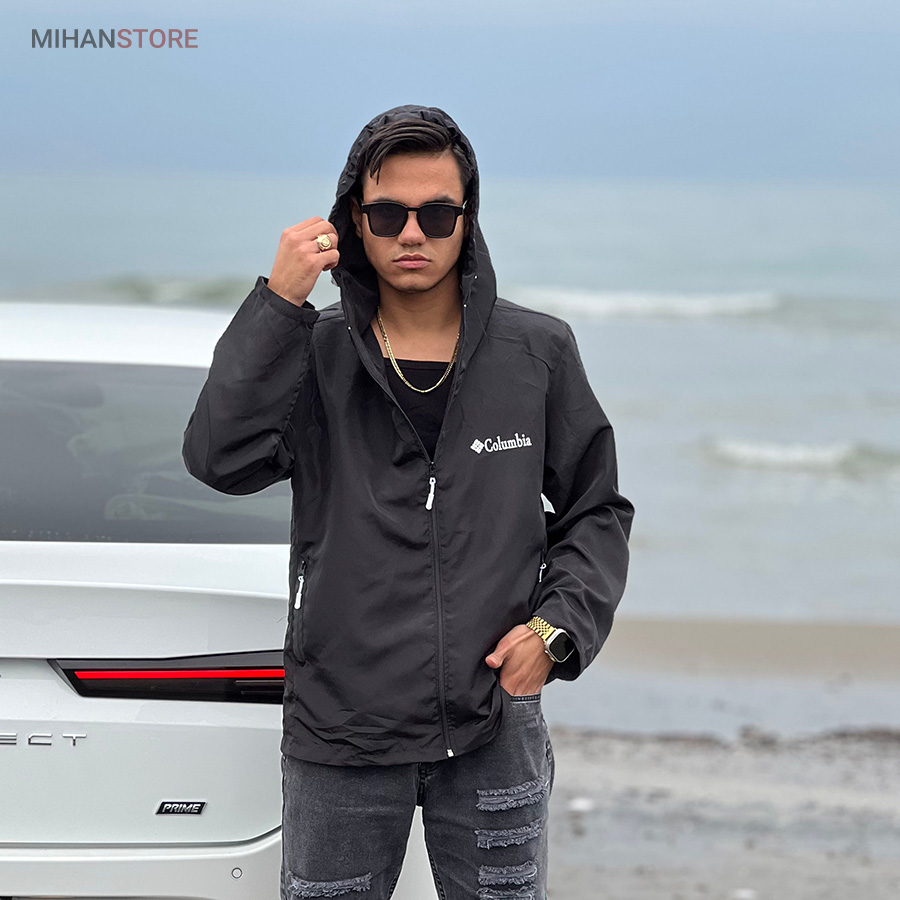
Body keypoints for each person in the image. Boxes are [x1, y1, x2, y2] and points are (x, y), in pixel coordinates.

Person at [182, 104, 635, 900]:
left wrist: (553, 632)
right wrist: (278, 304)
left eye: (437, 214)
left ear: (468, 217)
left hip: (493, 720)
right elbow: (221, 459)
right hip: (341, 725)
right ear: (354, 220)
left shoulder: (537, 352)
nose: (413, 234)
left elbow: (595, 509)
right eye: (389, 214)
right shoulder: (313, 350)